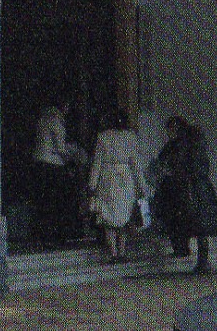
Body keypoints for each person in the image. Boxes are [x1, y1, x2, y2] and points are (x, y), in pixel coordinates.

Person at [151, 114, 217, 274]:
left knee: (179, 219)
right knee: (199, 225)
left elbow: (166, 162)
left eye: (169, 130)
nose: (168, 133)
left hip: (184, 188)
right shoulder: (195, 144)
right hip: (198, 189)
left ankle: (183, 249)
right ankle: (200, 259)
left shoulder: (178, 145)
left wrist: (170, 173)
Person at [88, 110, 147, 261]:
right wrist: (142, 186)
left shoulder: (103, 137)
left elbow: (97, 163)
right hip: (125, 178)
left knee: (108, 216)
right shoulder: (130, 137)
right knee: (123, 215)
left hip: (108, 178)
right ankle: (122, 251)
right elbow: (136, 164)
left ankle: (114, 252)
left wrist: (92, 185)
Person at [31, 101, 86, 246]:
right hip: (52, 165)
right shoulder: (56, 120)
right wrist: (73, 157)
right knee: (55, 201)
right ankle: (55, 236)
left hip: (39, 162)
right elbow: (60, 148)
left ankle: (40, 235)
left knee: (43, 201)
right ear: (64, 107)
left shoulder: (43, 118)